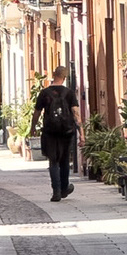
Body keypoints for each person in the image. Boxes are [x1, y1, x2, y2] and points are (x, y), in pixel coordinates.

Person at [31, 65, 81, 203]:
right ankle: (64, 188)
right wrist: (81, 133)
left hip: (50, 131)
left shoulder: (44, 93)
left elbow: (37, 113)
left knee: (53, 161)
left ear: (54, 75)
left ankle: (56, 192)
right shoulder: (69, 93)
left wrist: (33, 128)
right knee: (64, 160)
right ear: (64, 77)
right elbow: (76, 114)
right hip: (66, 131)